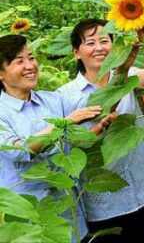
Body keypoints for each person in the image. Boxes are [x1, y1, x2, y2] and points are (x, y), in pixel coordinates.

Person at [57, 19, 144, 243]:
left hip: (140, 185)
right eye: (90, 43)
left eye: (105, 41)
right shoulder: (64, 97)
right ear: (76, 52)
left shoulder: (130, 75)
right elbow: (66, 147)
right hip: (104, 199)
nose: (99, 48)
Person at [0, 34, 113, 242]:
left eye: (31, 58)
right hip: (27, 220)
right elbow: (19, 151)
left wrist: (124, 66)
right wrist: (66, 123)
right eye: (19, 61)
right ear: (1, 73)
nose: (30, 65)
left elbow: (100, 100)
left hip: (69, 216)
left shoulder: (53, 101)